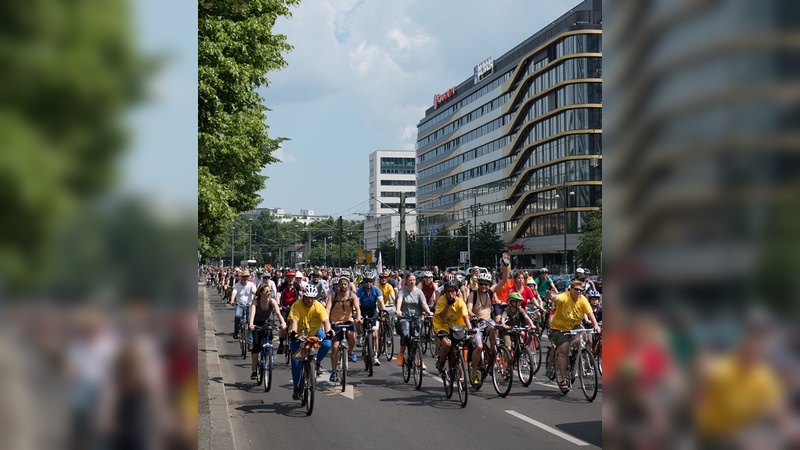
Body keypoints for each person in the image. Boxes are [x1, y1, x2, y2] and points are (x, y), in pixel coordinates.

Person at [547, 279, 601, 390]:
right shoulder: (565, 297)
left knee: (585, 338)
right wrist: (551, 296)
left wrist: (596, 325)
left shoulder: (583, 300)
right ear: (571, 289)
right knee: (564, 350)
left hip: (575, 325)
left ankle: (579, 357)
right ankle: (563, 381)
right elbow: (556, 298)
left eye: (581, 290)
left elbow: (590, 313)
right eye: (576, 289)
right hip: (559, 328)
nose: (578, 292)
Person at [287, 285, 333, 400]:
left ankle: (317, 363)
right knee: (296, 361)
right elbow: (294, 322)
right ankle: (297, 387)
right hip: (299, 334)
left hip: (315, 332)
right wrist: (293, 332)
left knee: (327, 343)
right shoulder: (297, 305)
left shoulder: (318, 306)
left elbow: (326, 322)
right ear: (303, 296)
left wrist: (329, 331)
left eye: (312, 298)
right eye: (307, 297)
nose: (309, 300)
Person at [248, 283, 287, 380]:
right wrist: (251, 324)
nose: (269, 293)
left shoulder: (272, 301)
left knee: (269, 339)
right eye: (266, 291)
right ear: (261, 293)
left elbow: (278, 313)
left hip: (268, 323)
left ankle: (268, 354)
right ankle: (253, 370)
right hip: (257, 323)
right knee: (256, 346)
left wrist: (283, 323)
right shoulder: (256, 301)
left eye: (270, 291)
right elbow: (252, 313)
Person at [326, 277, 361, 382]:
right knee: (335, 347)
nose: (343, 286)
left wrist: (358, 318)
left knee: (352, 336)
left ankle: (350, 352)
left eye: (345, 284)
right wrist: (327, 321)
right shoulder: (333, 296)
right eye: (341, 284)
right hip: (335, 323)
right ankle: (334, 372)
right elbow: (327, 309)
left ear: (348, 285)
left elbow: (358, 308)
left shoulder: (352, 296)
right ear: (338, 285)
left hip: (348, 321)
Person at [394, 272, 432, 368]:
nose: (412, 282)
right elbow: (399, 300)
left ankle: (419, 360)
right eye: (410, 280)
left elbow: (423, 303)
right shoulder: (402, 291)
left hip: (416, 317)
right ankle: (401, 354)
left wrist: (428, 311)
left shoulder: (419, 292)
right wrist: (398, 310)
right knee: (406, 335)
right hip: (404, 317)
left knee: (417, 338)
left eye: (414, 280)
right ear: (406, 281)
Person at [467, 272, 498, 384]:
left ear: (489, 284)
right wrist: (472, 315)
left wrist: (506, 266)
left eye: (486, 284)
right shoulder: (473, 294)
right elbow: (469, 309)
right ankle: (474, 371)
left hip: (488, 321)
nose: (483, 286)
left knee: (493, 328)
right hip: (477, 324)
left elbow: (503, 280)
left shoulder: (490, 293)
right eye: (481, 284)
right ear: (478, 284)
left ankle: (492, 350)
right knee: (479, 347)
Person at [433, 280, 472, 373]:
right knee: (447, 344)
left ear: (456, 292)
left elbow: (465, 317)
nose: (451, 294)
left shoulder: (460, 302)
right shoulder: (442, 300)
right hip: (442, 326)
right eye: (448, 291)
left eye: (453, 291)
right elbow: (441, 316)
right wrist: (448, 305)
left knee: (460, 350)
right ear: (445, 292)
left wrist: (470, 329)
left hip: (457, 327)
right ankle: (441, 362)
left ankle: (462, 378)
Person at [356, 271, 385, 367]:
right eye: (366, 281)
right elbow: (356, 303)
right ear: (363, 282)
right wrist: (356, 314)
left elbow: (381, 301)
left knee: (375, 334)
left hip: (373, 311)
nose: (368, 283)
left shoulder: (376, 290)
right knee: (358, 321)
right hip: (363, 310)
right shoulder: (360, 290)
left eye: (370, 281)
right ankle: (360, 335)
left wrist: (384, 311)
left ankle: (375, 355)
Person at [229, 270, 257, 347]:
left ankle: (250, 342)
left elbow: (255, 291)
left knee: (250, 323)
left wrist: (257, 295)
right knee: (238, 315)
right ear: (241, 277)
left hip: (249, 305)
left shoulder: (251, 284)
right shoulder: (237, 285)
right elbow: (234, 293)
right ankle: (236, 331)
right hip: (240, 304)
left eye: (247, 276)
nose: (245, 278)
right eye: (244, 276)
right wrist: (232, 300)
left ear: (249, 277)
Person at [276, 269, 301, 354]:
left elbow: (301, 296)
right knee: (283, 327)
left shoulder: (297, 286)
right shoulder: (282, 286)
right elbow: (278, 296)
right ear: (286, 278)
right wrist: (278, 305)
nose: (291, 279)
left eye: (292, 277)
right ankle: (281, 343)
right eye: (289, 277)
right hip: (284, 308)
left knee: (296, 325)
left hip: (294, 308)